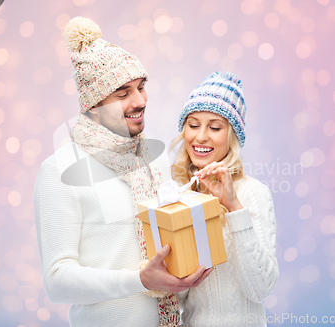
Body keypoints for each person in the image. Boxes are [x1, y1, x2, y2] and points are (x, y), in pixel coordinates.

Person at [33, 17, 210, 327]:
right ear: (93, 104)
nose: (140, 101)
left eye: (141, 87)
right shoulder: (59, 170)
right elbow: (57, 280)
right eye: (123, 93)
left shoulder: (152, 160)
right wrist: (140, 280)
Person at [170, 72, 279, 326]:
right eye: (193, 125)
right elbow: (177, 298)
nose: (200, 137)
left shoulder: (252, 193)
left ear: (232, 136)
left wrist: (233, 208)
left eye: (215, 127)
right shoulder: (177, 195)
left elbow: (260, 289)